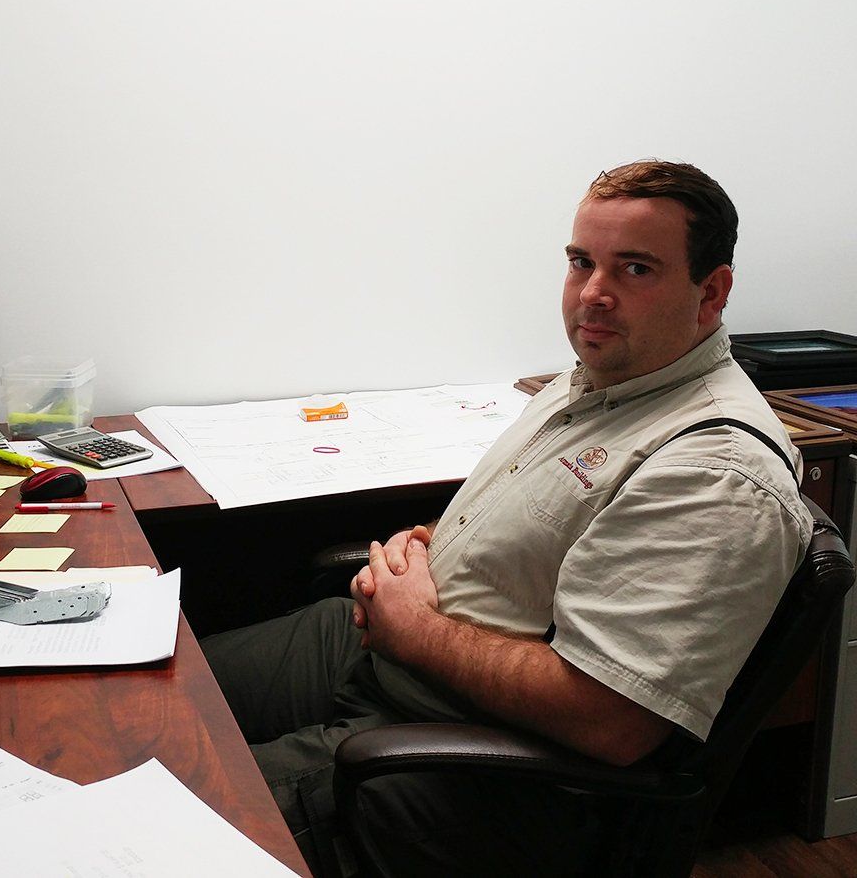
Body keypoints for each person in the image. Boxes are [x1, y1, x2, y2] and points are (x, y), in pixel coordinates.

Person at [201, 160, 812, 876]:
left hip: (466, 751)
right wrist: (424, 551)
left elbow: (611, 720)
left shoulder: (713, 470)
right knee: (158, 687)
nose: (593, 295)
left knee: (162, 806)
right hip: (389, 650)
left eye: (635, 269)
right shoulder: (594, 380)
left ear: (711, 292)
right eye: (581, 262)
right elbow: (535, 532)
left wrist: (417, 628)